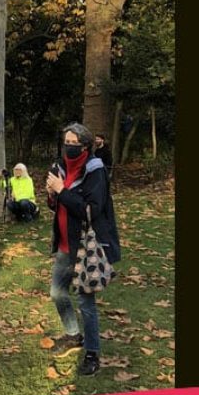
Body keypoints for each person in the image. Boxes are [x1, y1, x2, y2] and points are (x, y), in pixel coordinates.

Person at [43, 122, 122, 377]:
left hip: (85, 247)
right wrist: (52, 196)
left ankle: (92, 353)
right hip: (66, 244)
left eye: (74, 144)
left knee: (86, 303)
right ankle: (73, 334)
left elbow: (90, 210)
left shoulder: (95, 171)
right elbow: (57, 206)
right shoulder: (60, 166)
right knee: (57, 293)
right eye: (66, 142)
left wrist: (62, 191)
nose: (69, 147)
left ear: (86, 147)